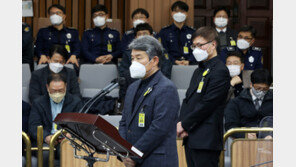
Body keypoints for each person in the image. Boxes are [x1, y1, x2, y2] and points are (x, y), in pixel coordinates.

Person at [118, 36, 180, 167]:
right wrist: (125, 152)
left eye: (139, 58)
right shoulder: (132, 87)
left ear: (155, 60)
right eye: (132, 58)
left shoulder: (166, 88)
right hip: (133, 159)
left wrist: (134, 154)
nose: (134, 62)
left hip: (157, 160)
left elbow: (159, 129)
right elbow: (124, 122)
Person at [177, 26, 230, 167]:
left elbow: (208, 104)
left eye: (200, 45)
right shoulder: (198, 70)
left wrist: (184, 124)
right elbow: (188, 100)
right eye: (194, 46)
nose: (196, 49)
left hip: (206, 140)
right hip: (191, 137)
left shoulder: (220, 70)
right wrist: (181, 124)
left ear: (213, 44)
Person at [29, 73, 83, 167]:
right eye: (54, 91)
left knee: (66, 150)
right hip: (45, 141)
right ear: (47, 87)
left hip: (66, 140)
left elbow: (80, 125)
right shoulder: (38, 103)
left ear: (66, 87)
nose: (57, 93)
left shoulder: (76, 102)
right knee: (45, 153)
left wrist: (70, 135)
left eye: (61, 90)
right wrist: (46, 137)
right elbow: (33, 126)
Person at [118, 23, 172, 102]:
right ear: (135, 37)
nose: (142, 37)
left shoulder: (161, 52)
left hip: (156, 89)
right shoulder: (129, 53)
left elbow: (165, 72)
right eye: (139, 34)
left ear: (151, 36)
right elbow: (124, 73)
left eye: (145, 34)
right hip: (134, 89)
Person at [224, 69, 273, 139]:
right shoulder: (236, 102)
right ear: (251, 85)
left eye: (265, 89)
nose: (261, 91)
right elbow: (230, 126)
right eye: (258, 88)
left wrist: (272, 135)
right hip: (244, 143)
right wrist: (245, 134)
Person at [158, 1, 196, 65]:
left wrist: (189, 61)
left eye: (182, 11)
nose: (179, 14)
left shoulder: (192, 32)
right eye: (176, 11)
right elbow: (162, 50)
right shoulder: (164, 32)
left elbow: (197, 49)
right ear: (172, 13)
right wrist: (174, 61)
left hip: (189, 65)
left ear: (186, 14)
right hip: (170, 65)